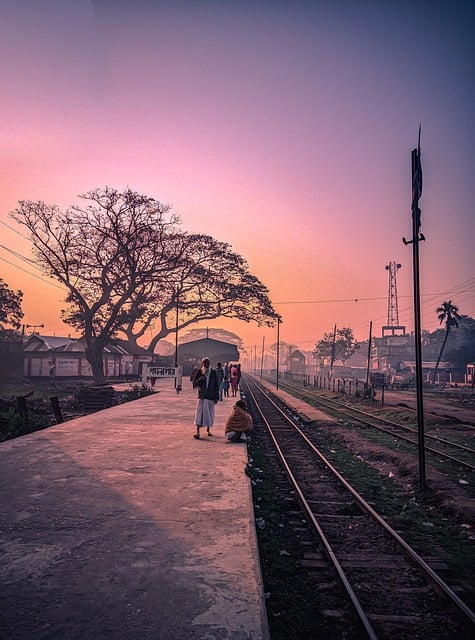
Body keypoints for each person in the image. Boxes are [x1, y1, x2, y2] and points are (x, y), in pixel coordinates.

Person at [193, 357, 219, 439]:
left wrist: (216, 397)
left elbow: (216, 386)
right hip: (202, 397)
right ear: (202, 364)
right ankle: (197, 432)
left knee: (209, 414)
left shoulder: (213, 372)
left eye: (208, 363)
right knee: (199, 414)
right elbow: (194, 383)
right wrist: (199, 380)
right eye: (205, 363)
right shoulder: (200, 372)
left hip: (210, 397)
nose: (207, 365)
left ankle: (208, 430)